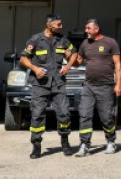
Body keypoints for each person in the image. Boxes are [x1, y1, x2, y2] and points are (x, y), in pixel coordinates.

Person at [20, 14, 78, 158]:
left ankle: (65, 142)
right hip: (40, 85)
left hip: (58, 83)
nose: (61, 27)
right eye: (58, 24)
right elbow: (23, 58)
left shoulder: (62, 39)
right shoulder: (35, 39)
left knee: (64, 113)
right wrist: (35, 69)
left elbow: (74, 54)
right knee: (37, 115)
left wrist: (68, 66)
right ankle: (36, 146)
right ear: (49, 25)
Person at [75, 19, 121, 156]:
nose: (86, 31)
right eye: (86, 28)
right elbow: (78, 62)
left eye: (88, 28)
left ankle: (111, 141)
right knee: (84, 114)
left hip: (105, 86)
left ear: (97, 29)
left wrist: (118, 84)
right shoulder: (85, 43)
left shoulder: (110, 43)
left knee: (106, 116)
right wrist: (69, 55)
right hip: (88, 86)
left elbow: (118, 65)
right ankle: (84, 144)